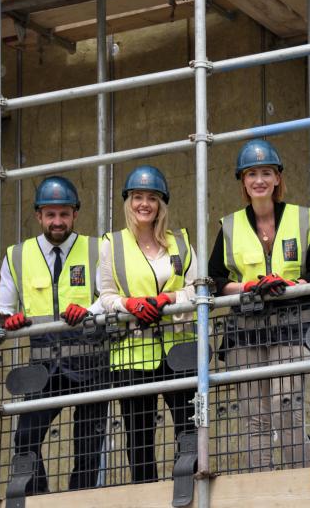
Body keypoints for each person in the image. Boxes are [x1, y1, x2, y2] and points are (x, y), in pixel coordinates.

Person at [208, 139, 310, 472]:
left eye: (266, 173)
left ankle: (304, 477)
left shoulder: (303, 219)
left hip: (291, 325)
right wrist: (247, 287)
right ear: (243, 182)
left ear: (277, 178)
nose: (259, 180)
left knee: (284, 406)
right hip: (246, 330)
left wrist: (292, 286)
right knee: (254, 416)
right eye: (251, 174)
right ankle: (261, 481)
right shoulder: (230, 225)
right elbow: (215, 279)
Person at [0, 175, 108, 494]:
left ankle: (80, 501)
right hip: (43, 367)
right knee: (26, 438)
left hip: (90, 365)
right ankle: (39, 498)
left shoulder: (97, 249)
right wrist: (11, 320)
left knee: (89, 445)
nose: (57, 221)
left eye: (64, 214)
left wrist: (90, 311)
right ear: (38, 216)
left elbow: (109, 296)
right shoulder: (17, 255)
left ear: (75, 214)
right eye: (50, 214)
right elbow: (3, 309)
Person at [98, 165, 198, 484]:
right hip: (132, 354)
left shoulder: (179, 242)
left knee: (188, 425)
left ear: (161, 204)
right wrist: (129, 304)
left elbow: (198, 288)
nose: (144, 204)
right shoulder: (112, 245)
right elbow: (106, 295)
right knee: (139, 434)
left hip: (179, 349)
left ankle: (185, 487)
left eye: (152, 198)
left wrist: (169, 299)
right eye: (138, 197)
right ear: (128, 202)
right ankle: (146, 493)